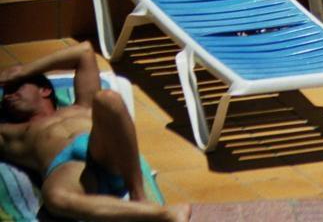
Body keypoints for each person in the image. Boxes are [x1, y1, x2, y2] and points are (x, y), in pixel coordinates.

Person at [0, 41, 191, 221]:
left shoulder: (82, 105)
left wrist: (23, 71)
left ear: (45, 90)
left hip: (100, 148)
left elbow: (84, 51)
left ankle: (138, 196)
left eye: (17, 87)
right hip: (66, 169)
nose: (9, 96)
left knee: (108, 99)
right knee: (54, 197)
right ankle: (164, 214)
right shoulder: (14, 133)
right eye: (6, 93)